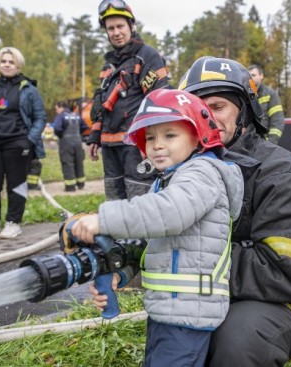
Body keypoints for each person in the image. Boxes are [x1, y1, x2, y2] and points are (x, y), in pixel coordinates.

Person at [175, 57, 291, 366]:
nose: (206, 117)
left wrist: (186, 258)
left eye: (217, 107)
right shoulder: (187, 173)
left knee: (237, 341)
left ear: (246, 112)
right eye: (196, 109)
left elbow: (287, 272)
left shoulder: (286, 174)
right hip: (220, 289)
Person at [73, 89, 243, 367]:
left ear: (198, 135)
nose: (157, 145)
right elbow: (155, 248)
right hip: (169, 310)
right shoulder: (170, 180)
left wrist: (104, 220)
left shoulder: (202, 174)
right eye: (150, 137)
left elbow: (169, 212)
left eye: (169, 135)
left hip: (189, 315)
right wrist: (124, 274)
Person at [87, 0, 169, 201]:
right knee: (114, 198)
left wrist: (152, 141)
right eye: (110, 28)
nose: (116, 32)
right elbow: (101, 104)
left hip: (134, 145)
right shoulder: (108, 65)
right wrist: (94, 137)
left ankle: (138, 235)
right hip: (109, 145)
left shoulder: (147, 56)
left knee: (139, 199)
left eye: (120, 26)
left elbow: (159, 99)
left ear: (131, 26)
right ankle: (119, 233)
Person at [0, 47, 46, 239]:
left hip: (17, 144)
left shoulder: (29, 88)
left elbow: (40, 118)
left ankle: (13, 223)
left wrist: (28, 141)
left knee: (16, 185)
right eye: (3, 61)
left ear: (18, 65)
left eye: (11, 61)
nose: (7, 64)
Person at [52, 101, 88, 191]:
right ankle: (81, 184)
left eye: (56, 109)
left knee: (67, 163)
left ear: (61, 107)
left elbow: (56, 128)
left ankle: (70, 186)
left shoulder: (61, 116)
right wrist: (77, 134)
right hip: (78, 142)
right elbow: (85, 126)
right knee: (79, 162)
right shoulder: (76, 115)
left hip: (66, 142)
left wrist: (61, 136)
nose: (56, 111)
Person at [248, 64, 285, 144]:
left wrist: (270, 143)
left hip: (265, 143)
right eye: (249, 76)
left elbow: (277, 121)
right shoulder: (245, 94)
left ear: (261, 76)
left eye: (253, 75)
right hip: (248, 144)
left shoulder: (271, 94)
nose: (251, 78)